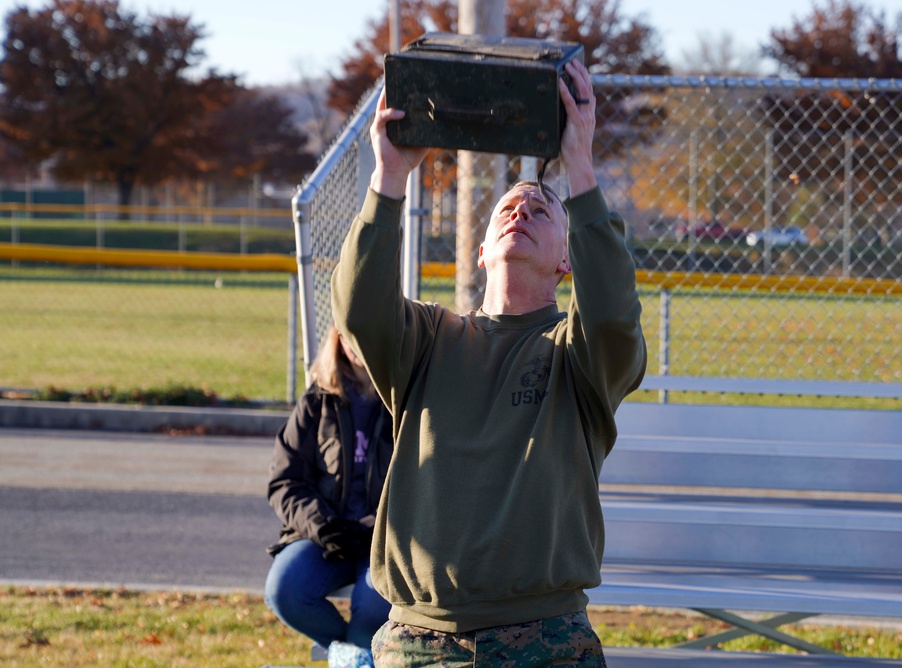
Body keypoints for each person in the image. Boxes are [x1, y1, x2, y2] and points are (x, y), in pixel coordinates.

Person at [331, 59, 646, 666]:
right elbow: (358, 310)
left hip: (544, 639)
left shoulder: (576, 352)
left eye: (542, 210)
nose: (521, 210)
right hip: (417, 641)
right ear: (481, 252)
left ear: (567, 260)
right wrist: (390, 177)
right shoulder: (428, 336)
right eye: (508, 207)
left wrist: (578, 168)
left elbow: (612, 315)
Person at [264, 323, 394, 668]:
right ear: (338, 335)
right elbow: (285, 481)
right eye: (350, 332)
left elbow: (426, 481)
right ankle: (354, 656)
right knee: (285, 590)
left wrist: (373, 529)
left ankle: (358, 655)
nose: (359, 342)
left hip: (385, 540)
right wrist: (322, 525)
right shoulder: (316, 401)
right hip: (328, 535)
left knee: (374, 604)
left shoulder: (406, 400)